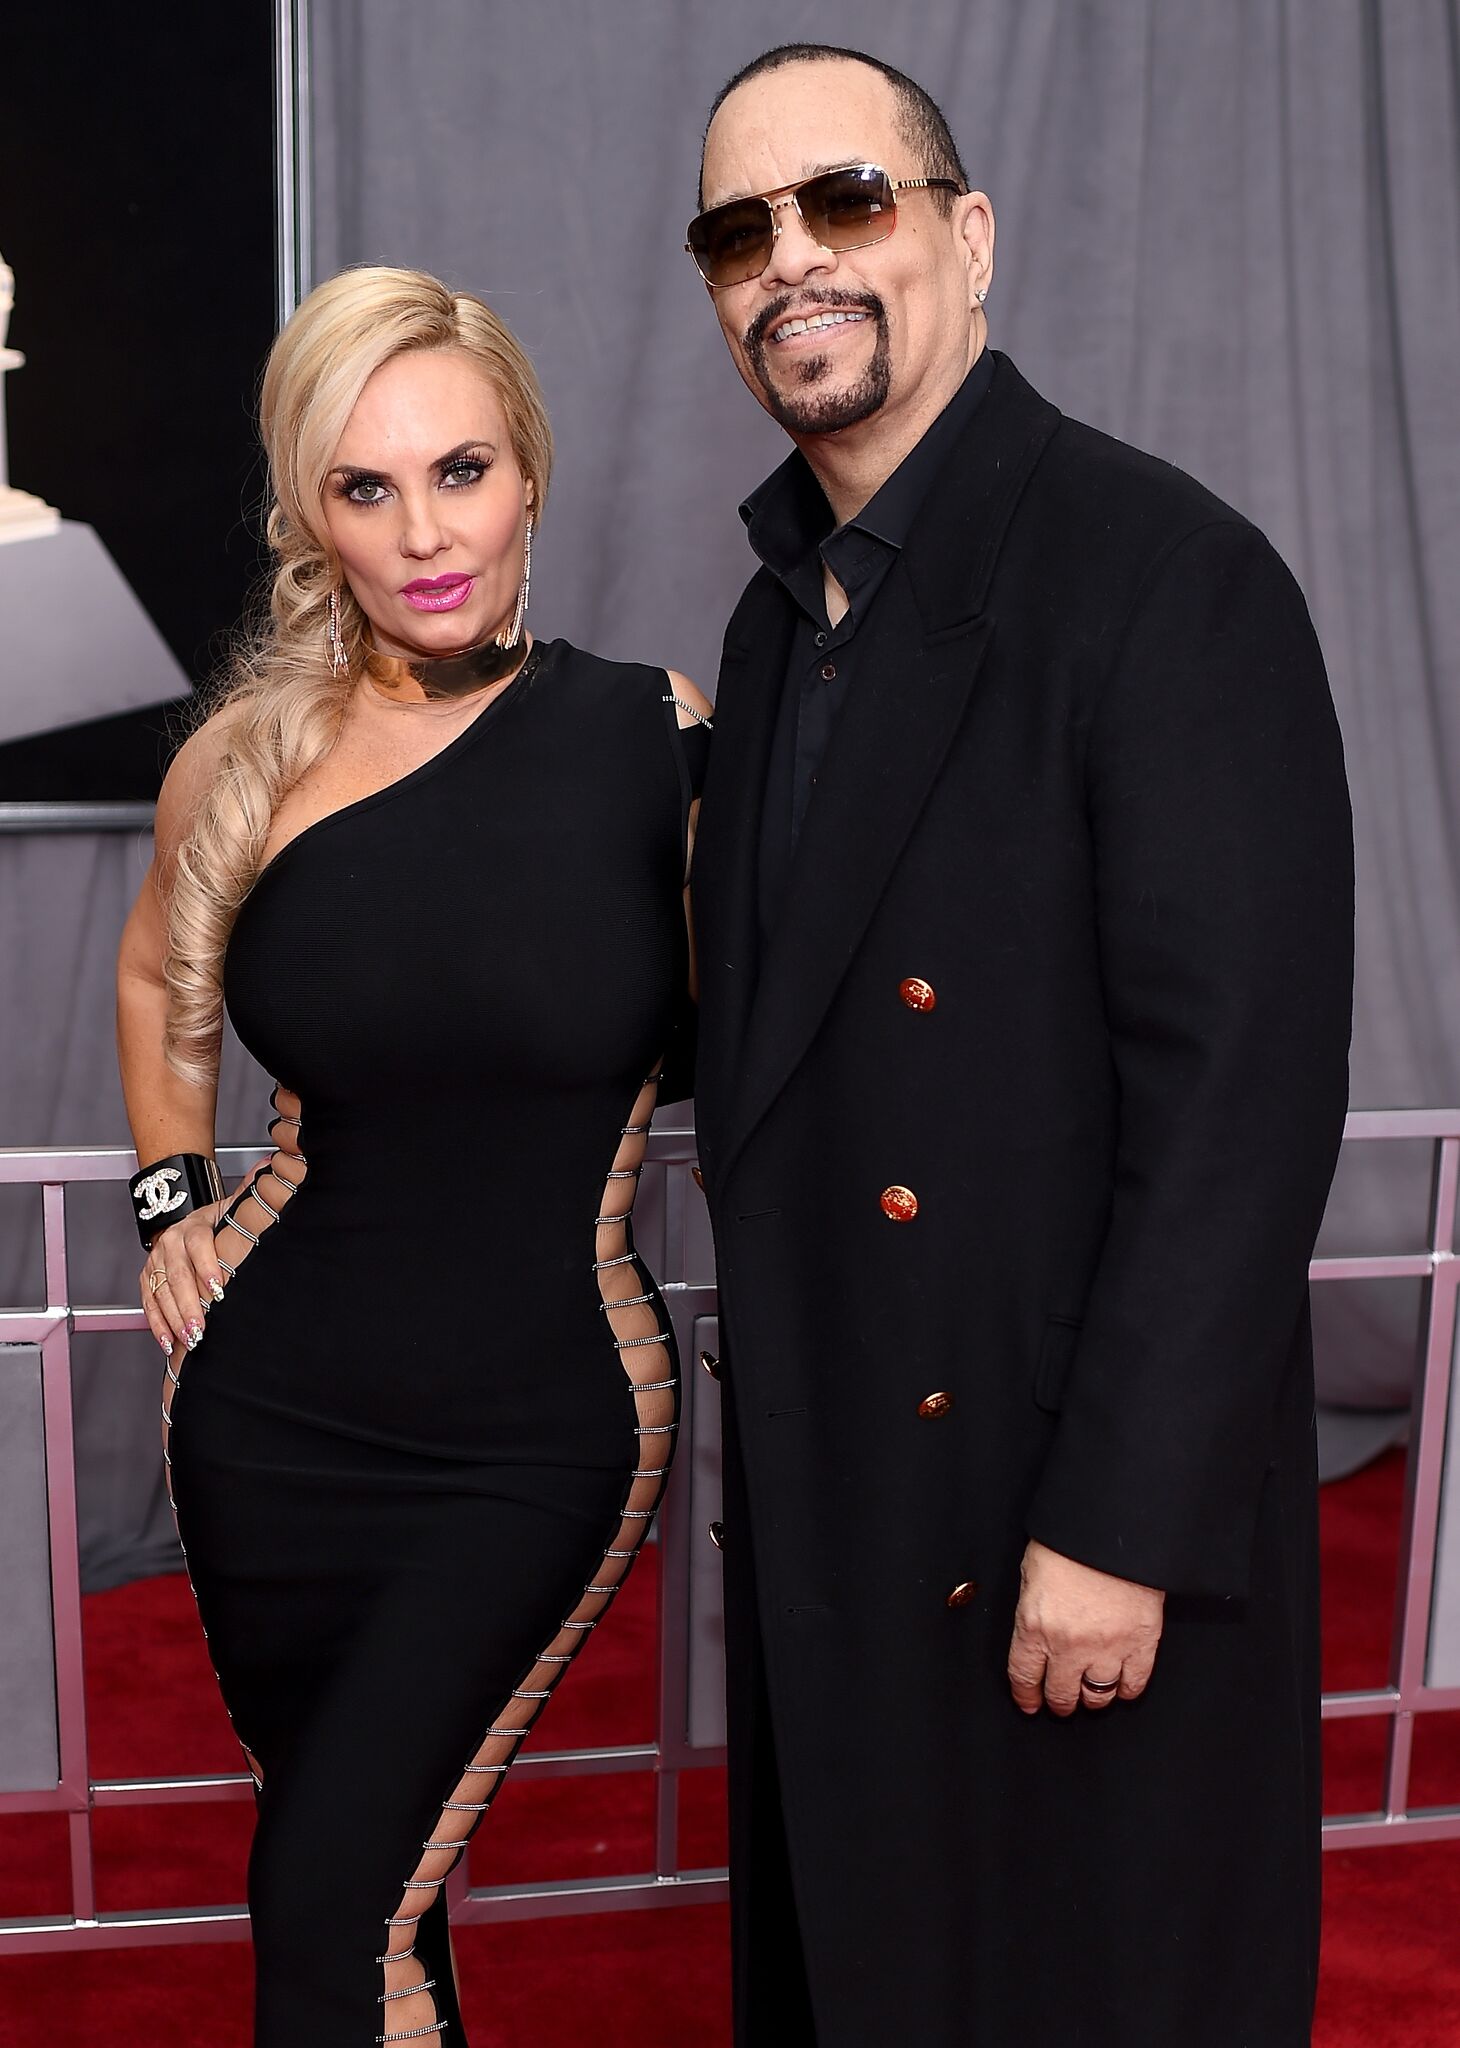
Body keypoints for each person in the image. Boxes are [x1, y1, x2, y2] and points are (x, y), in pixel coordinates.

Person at [680, 41, 1353, 2048]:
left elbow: (1239, 1099)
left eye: (845, 203)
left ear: (968, 238)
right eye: (738, 231)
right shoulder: (775, 619)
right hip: (845, 1509)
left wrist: (1120, 1527)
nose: (788, 259)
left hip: (1057, 1527)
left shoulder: (1166, 577)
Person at [114, 264, 710, 2047]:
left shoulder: (657, 741)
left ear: (527, 470)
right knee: (370, 1893)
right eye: (366, 488)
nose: (425, 532)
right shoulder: (244, 762)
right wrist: (171, 1200)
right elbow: (157, 974)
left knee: (322, 1911)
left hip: (540, 1431)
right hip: (264, 1416)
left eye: (461, 470)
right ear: (311, 512)